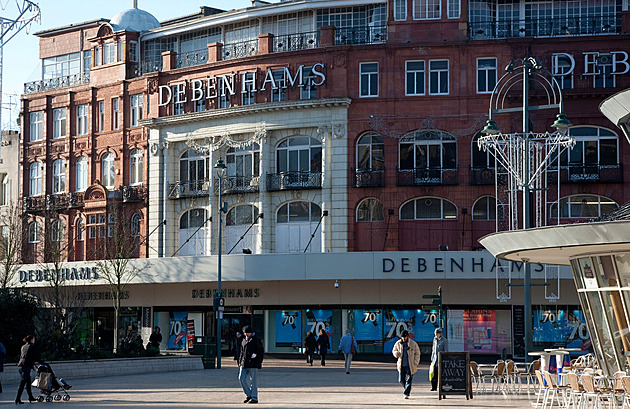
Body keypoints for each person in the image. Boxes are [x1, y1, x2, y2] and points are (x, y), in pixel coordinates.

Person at [238, 325, 264, 404]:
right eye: (245, 333)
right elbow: (242, 351)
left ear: (251, 332)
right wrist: (240, 361)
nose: (246, 334)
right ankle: (248, 394)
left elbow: (260, 351)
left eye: (248, 333)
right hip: (244, 363)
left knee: (253, 381)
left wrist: (258, 362)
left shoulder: (256, 340)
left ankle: (254, 398)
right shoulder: (243, 340)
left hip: (253, 363)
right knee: (241, 378)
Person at [392, 330, 420, 399]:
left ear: (407, 336)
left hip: (410, 365)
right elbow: (394, 350)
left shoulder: (413, 344)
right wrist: (396, 354)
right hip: (401, 365)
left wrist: (415, 362)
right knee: (401, 380)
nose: (404, 338)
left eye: (405, 337)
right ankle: (407, 388)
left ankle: (406, 393)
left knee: (409, 379)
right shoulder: (398, 343)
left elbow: (417, 353)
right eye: (402, 337)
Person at [16, 334, 39, 404]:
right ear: (32, 339)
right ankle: (17, 399)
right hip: (26, 367)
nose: (34, 340)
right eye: (34, 339)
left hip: (21, 365)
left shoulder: (23, 346)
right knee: (23, 383)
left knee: (28, 382)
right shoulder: (32, 346)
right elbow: (35, 356)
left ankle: (30, 397)